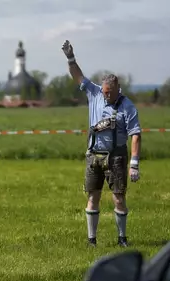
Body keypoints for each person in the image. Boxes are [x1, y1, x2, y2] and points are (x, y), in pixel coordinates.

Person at [61, 40, 142, 247]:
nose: (106, 96)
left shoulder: (128, 106)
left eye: (109, 93)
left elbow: (135, 134)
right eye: (104, 92)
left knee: (118, 199)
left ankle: (122, 239)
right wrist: (70, 58)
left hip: (116, 157)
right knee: (92, 196)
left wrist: (133, 163)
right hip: (93, 155)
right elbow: (77, 75)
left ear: (118, 90)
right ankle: (92, 240)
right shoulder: (94, 92)